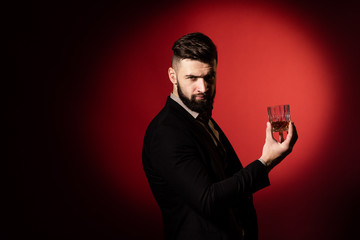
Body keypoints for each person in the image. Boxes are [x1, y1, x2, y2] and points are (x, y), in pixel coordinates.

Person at [142, 32, 298, 240]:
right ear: (173, 76)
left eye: (209, 77)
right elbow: (208, 200)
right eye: (192, 78)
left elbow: (227, 183)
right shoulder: (166, 133)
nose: (203, 88)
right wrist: (266, 162)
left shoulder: (199, 116)